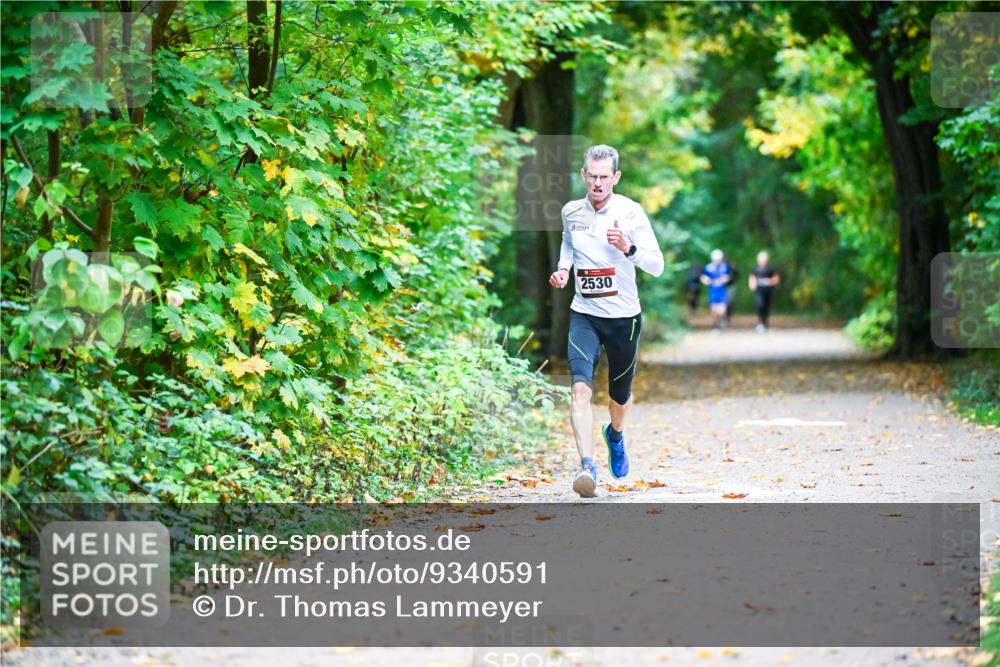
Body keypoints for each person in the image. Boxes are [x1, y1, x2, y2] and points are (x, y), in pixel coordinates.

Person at [548, 145, 664, 498]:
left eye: (604, 177)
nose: (598, 183)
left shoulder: (630, 213)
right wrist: (563, 269)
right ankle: (587, 467)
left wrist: (628, 248)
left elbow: (657, 266)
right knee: (580, 389)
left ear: (615, 177)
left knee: (620, 397)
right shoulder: (573, 212)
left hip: (623, 318)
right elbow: (570, 245)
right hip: (584, 313)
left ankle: (615, 434)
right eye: (592, 176)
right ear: (583, 175)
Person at [700, 249, 731, 332]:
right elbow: (703, 277)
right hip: (713, 292)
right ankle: (715, 326)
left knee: (722, 310)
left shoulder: (725, 267)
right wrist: (706, 281)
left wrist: (722, 280)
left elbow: (728, 277)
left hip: (722, 291)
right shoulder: (708, 267)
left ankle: (722, 320)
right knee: (713, 310)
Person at [749, 250, 780, 332]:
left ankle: (765, 323)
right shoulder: (755, 269)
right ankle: (760, 323)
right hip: (759, 291)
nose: (762, 262)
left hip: (768, 292)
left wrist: (769, 281)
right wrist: (752, 285)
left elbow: (776, 279)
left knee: (766, 308)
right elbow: (752, 278)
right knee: (760, 306)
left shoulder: (771, 269)